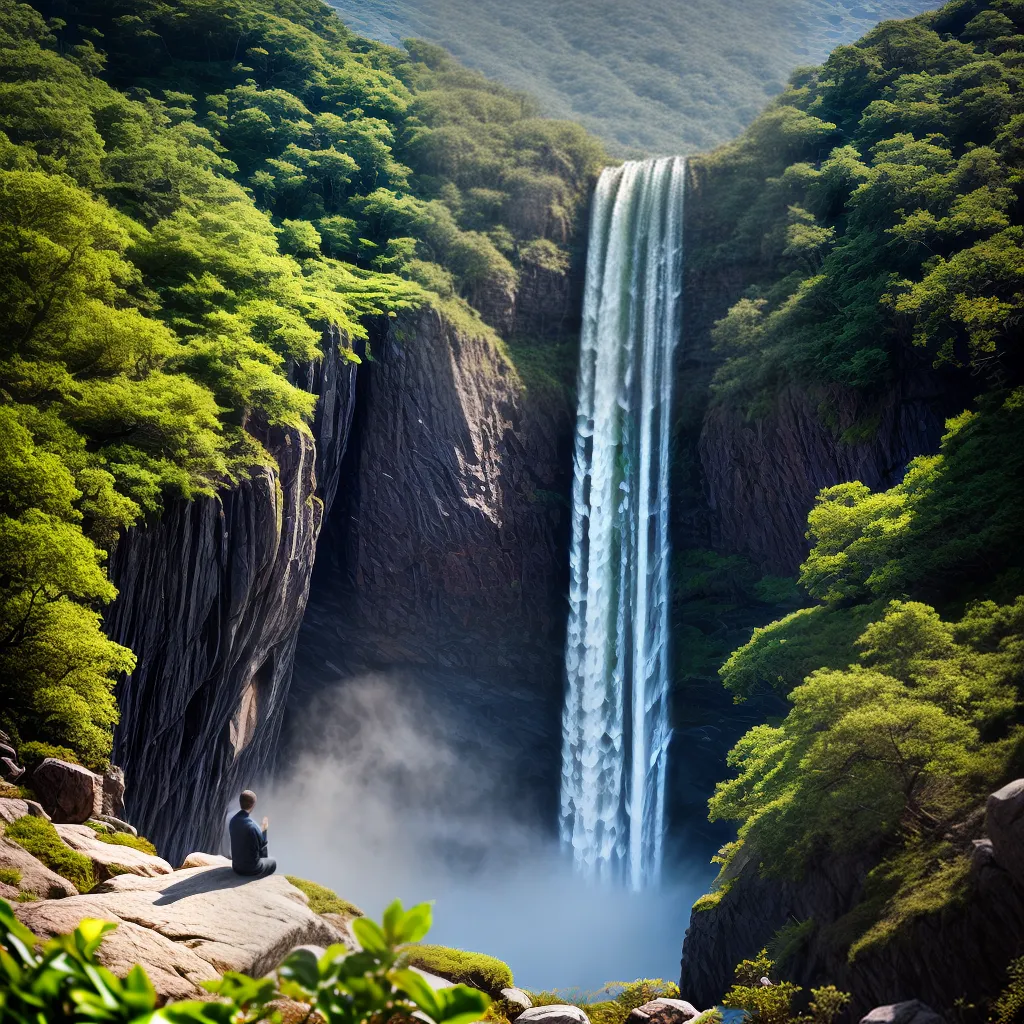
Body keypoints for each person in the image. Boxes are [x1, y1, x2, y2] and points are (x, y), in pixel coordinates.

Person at [228, 790, 276, 878]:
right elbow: (263, 854)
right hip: (251, 870)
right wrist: (264, 831)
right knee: (273, 862)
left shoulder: (233, 821)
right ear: (253, 805)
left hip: (236, 867)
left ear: (240, 802)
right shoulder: (253, 827)